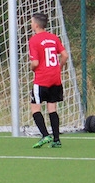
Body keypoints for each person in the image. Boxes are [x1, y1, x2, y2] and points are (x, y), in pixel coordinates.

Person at [28, 12, 69, 148]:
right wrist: (59, 67)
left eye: (31, 22)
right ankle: (56, 139)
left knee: (35, 108)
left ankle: (45, 135)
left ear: (36, 25)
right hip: (55, 78)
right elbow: (65, 55)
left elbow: (35, 62)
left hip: (42, 78)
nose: (31, 24)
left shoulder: (34, 40)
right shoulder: (53, 37)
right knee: (52, 108)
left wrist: (32, 68)